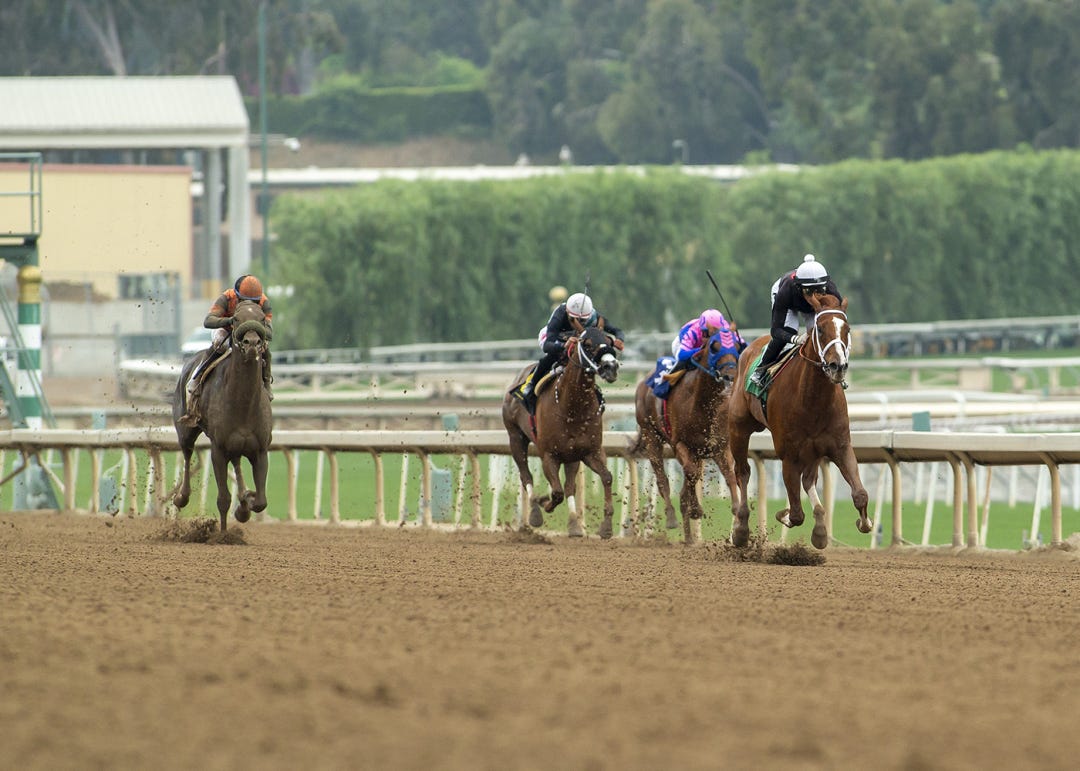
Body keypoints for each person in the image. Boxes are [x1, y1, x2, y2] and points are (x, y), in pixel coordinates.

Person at [179, 274, 274, 425]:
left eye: (255, 302)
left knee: (264, 347)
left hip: (249, 334)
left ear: (259, 299)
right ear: (237, 295)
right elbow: (208, 321)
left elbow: (269, 332)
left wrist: (254, 328)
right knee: (218, 345)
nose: (250, 304)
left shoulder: (264, 302)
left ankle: (266, 382)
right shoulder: (227, 298)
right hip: (226, 329)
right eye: (244, 300)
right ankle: (197, 378)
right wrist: (230, 321)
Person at [513, 291, 624, 414]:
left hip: (578, 339)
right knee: (552, 356)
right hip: (554, 337)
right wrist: (562, 346)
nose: (581, 323)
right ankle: (530, 385)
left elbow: (616, 330)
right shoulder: (560, 314)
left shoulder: (594, 316)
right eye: (577, 320)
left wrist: (619, 339)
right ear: (569, 314)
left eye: (583, 320)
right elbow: (547, 345)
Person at [749, 254, 843, 388]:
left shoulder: (830, 290)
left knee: (823, 332)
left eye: (819, 290)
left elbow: (838, 324)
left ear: (825, 285)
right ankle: (761, 370)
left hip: (809, 305)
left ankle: (834, 368)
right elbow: (776, 331)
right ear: (799, 287)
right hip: (789, 302)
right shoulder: (786, 291)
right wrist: (795, 339)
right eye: (809, 291)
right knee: (789, 330)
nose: (815, 296)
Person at [667, 308, 745, 377]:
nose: (709, 337)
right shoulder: (693, 331)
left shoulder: (726, 329)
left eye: (714, 334)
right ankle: (666, 380)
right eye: (706, 333)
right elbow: (681, 355)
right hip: (681, 345)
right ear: (701, 329)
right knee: (682, 363)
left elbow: (744, 346)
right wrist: (702, 350)